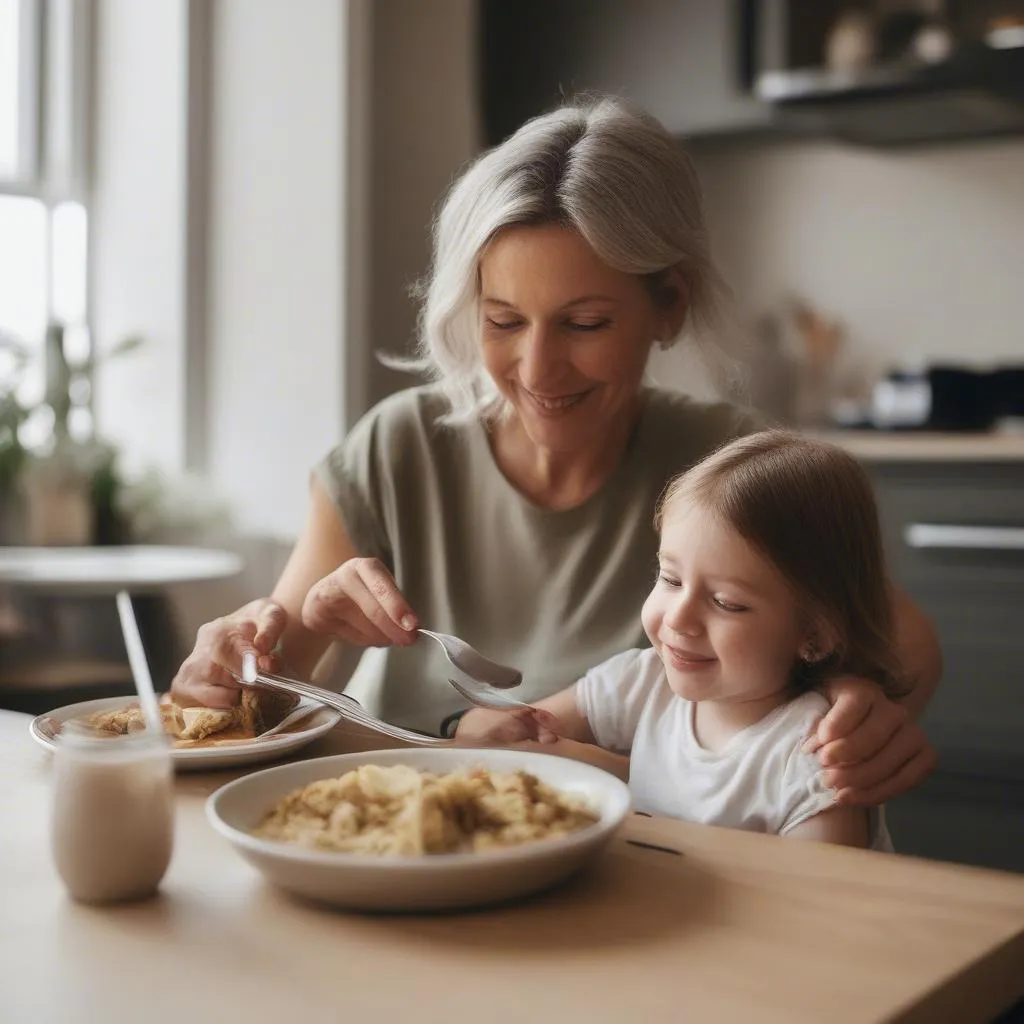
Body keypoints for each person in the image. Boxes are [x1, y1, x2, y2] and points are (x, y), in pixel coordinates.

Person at [171, 96, 940, 806]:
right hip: (420, 843)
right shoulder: (399, 449)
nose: (537, 373)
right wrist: (227, 670)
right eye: (504, 322)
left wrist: (860, 708)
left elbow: (903, 647)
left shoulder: (728, 465)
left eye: (585, 324)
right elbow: (262, 703)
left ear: (667, 304)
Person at [460, 430, 905, 847]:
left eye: (727, 602)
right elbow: (526, 732)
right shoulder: (643, 683)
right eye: (670, 579)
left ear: (815, 635)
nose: (680, 619)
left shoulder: (814, 759)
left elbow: (820, 909)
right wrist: (492, 726)